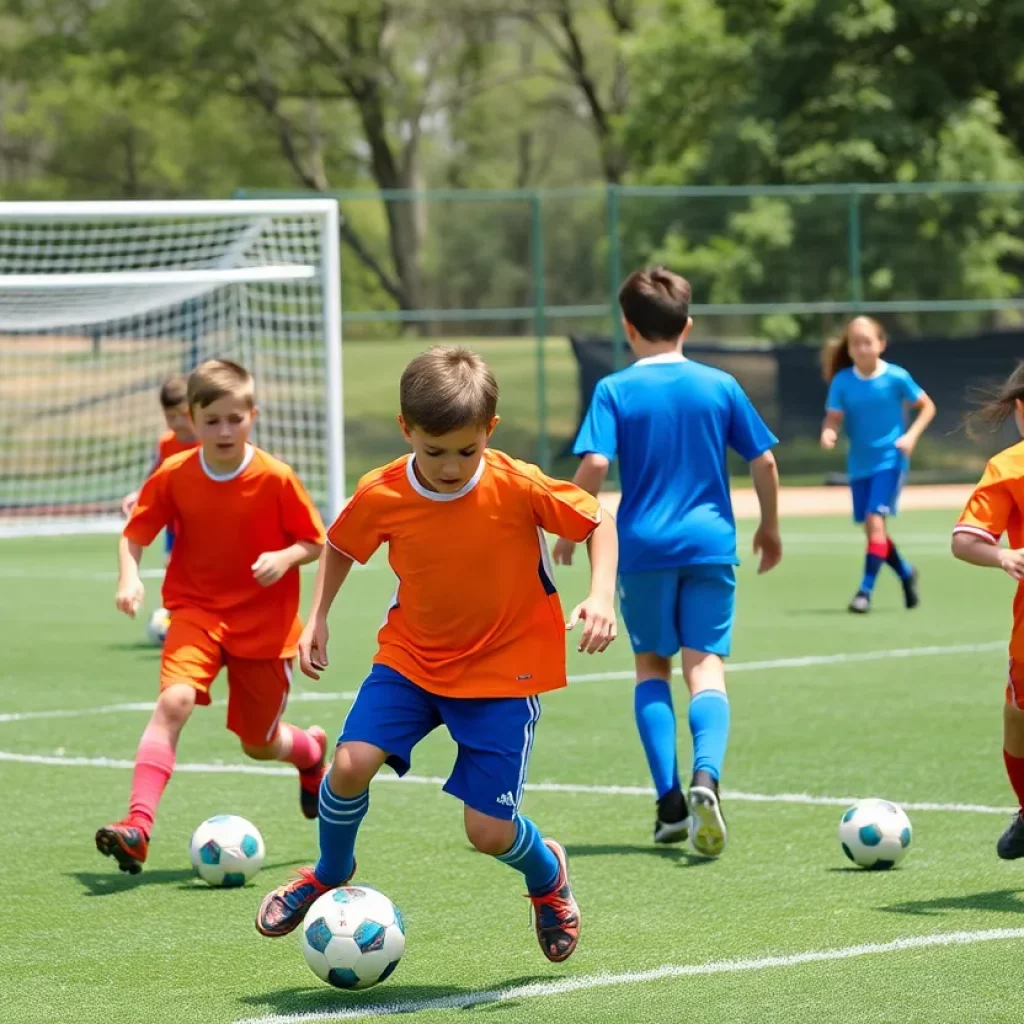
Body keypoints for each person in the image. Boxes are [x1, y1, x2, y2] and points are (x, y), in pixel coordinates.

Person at [255, 345, 618, 964]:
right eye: (434, 451)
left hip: (505, 672)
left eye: (466, 451)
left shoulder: (517, 483)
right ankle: (328, 871)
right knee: (348, 765)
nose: (451, 467)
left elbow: (597, 522)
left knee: (487, 833)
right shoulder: (384, 491)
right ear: (406, 431)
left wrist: (601, 594)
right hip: (412, 660)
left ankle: (547, 876)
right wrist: (317, 616)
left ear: (489, 432)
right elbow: (340, 543)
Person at [555, 267, 781, 858]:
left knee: (651, 666)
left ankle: (669, 804)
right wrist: (770, 528)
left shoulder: (614, 390)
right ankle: (707, 777)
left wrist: (567, 524)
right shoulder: (720, 385)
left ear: (628, 328)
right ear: (689, 324)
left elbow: (597, 466)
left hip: (643, 549)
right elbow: (765, 462)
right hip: (710, 545)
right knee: (704, 667)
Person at [96, 359, 329, 875]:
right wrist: (129, 578)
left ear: (253, 415)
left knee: (259, 744)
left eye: (235, 418)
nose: (224, 431)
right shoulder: (175, 474)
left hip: (264, 629)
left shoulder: (275, 477)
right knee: (173, 702)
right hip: (196, 613)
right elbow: (134, 534)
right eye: (212, 421)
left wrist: (284, 557)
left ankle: (311, 753)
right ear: (190, 421)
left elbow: (315, 542)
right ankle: (137, 827)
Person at [952, 362, 1024, 859]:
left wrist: (999, 555)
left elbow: (962, 541)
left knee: (1017, 716)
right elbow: (966, 539)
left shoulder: (1011, 463)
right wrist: (1002, 554)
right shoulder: (1010, 467)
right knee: (1016, 713)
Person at [820, 316, 936, 613]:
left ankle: (864, 592)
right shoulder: (843, 381)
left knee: (875, 523)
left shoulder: (896, 377)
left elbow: (927, 406)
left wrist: (910, 437)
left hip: (890, 460)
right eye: (855, 343)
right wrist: (829, 431)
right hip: (859, 464)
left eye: (867, 341)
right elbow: (833, 416)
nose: (861, 347)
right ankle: (906, 573)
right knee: (875, 532)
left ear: (881, 344)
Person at [121, 375, 199, 562]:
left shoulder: (209, 443)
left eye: (184, 415)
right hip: (175, 521)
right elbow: (155, 474)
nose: (178, 422)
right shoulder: (166, 444)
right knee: (171, 563)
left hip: (204, 520)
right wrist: (140, 494)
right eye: (171, 417)